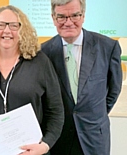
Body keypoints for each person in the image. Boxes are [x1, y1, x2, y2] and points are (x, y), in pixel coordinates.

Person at [0, 5, 64, 155]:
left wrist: (45, 146)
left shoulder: (40, 63)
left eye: (14, 25)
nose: (7, 31)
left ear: (22, 30)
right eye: (1, 25)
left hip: (31, 152)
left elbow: (56, 111)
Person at [41, 0, 122, 155]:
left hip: (94, 137)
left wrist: (94, 114)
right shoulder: (44, 52)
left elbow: (113, 89)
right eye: (61, 17)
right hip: (59, 139)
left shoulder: (107, 47)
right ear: (53, 18)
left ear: (83, 16)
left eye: (74, 16)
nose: (68, 22)